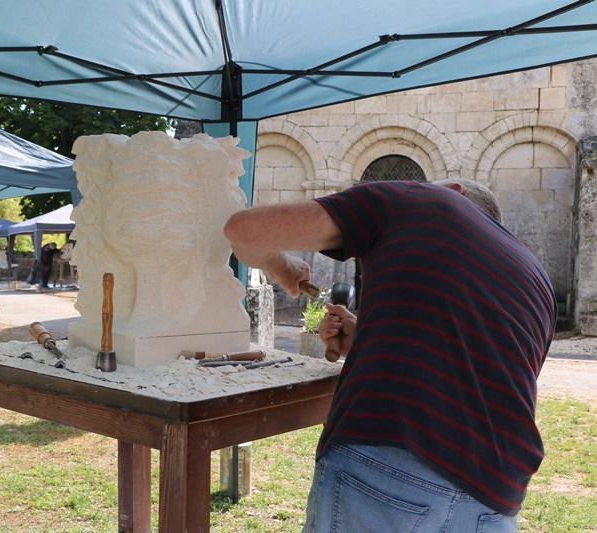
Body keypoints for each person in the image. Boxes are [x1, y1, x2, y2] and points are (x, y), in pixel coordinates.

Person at [224, 179, 555, 532]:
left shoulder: (420, 199)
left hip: (394, 471)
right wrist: (367, 334)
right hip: (495, 498)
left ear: (453, 189)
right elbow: (470, 365)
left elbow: (244, 231)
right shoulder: (534, 275)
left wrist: (282, 268)